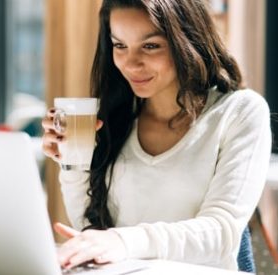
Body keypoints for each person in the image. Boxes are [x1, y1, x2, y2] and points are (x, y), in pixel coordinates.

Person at [41, 0, 272, 271]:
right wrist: (72, 163)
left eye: (150, 46)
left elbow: (221, 234)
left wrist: (123, 241)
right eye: (119, 45)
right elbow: (90, 229)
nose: (130, 63)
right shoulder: (115, 117)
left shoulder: (240, 112)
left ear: (187, 40)